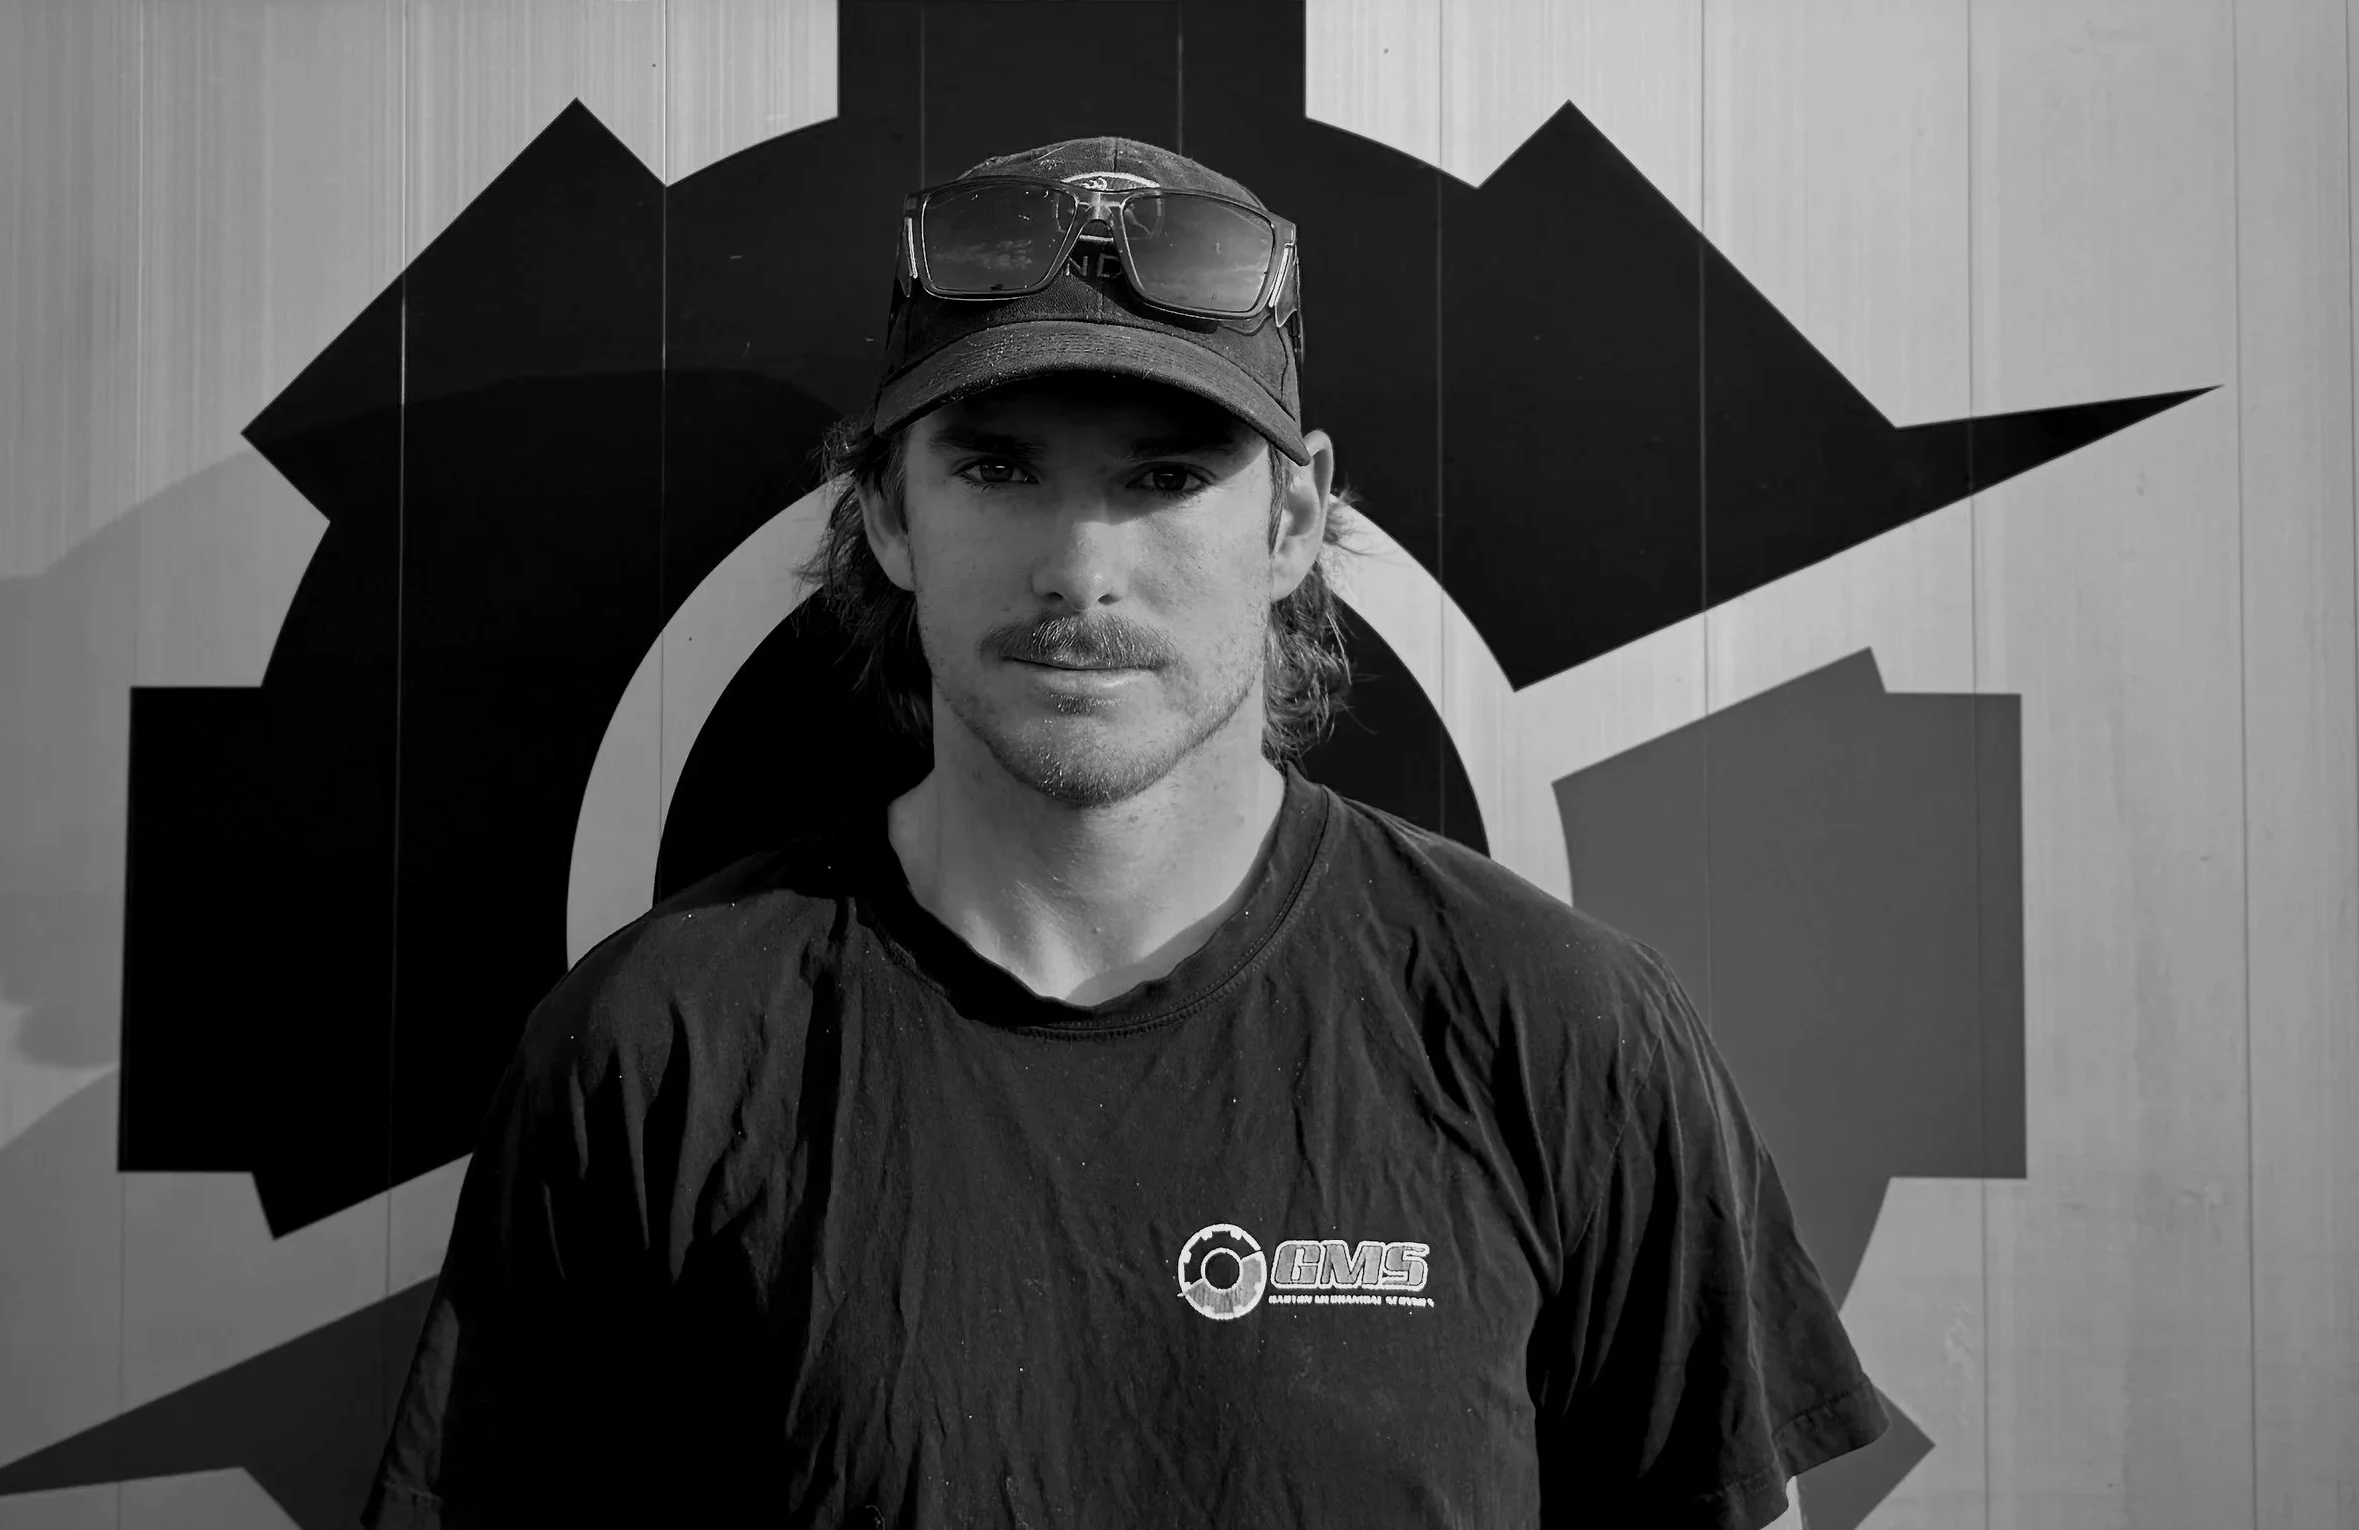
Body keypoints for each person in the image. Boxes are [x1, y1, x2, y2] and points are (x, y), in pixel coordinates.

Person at [362, 136, 1889, 1530]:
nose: (1080, 567)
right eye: (998, 466)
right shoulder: (655, 1053)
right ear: (887, 512)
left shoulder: (1564, 1032)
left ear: (1295, 521)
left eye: (1165, 478)